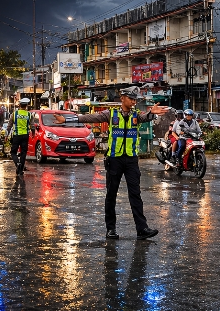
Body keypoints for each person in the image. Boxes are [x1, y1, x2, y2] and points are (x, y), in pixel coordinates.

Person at [53, 86, 170, 240]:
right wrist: (67, 119)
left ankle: (142, 229)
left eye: (135, 99)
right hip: (114, 159)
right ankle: (111, 229)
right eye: (131, 99)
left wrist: (151, 113)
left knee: (135, 194)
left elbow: (146, 116)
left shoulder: (136, 115)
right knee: (111, 195)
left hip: (131, 160)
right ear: (122, 98)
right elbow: (90, 118)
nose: (133, 102)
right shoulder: (111, 114)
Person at [7, 98, 32, 175]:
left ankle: (17, 163)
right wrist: (33, 134)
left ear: (19, 105)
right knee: (23, 153)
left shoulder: (15, 114)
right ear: (26, 106)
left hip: (17, 136)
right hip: (25, 136)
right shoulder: (29, 114)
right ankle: (20, 170)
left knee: (13, 152)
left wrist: (6, 134)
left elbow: (9, 126)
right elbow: (32, 126)